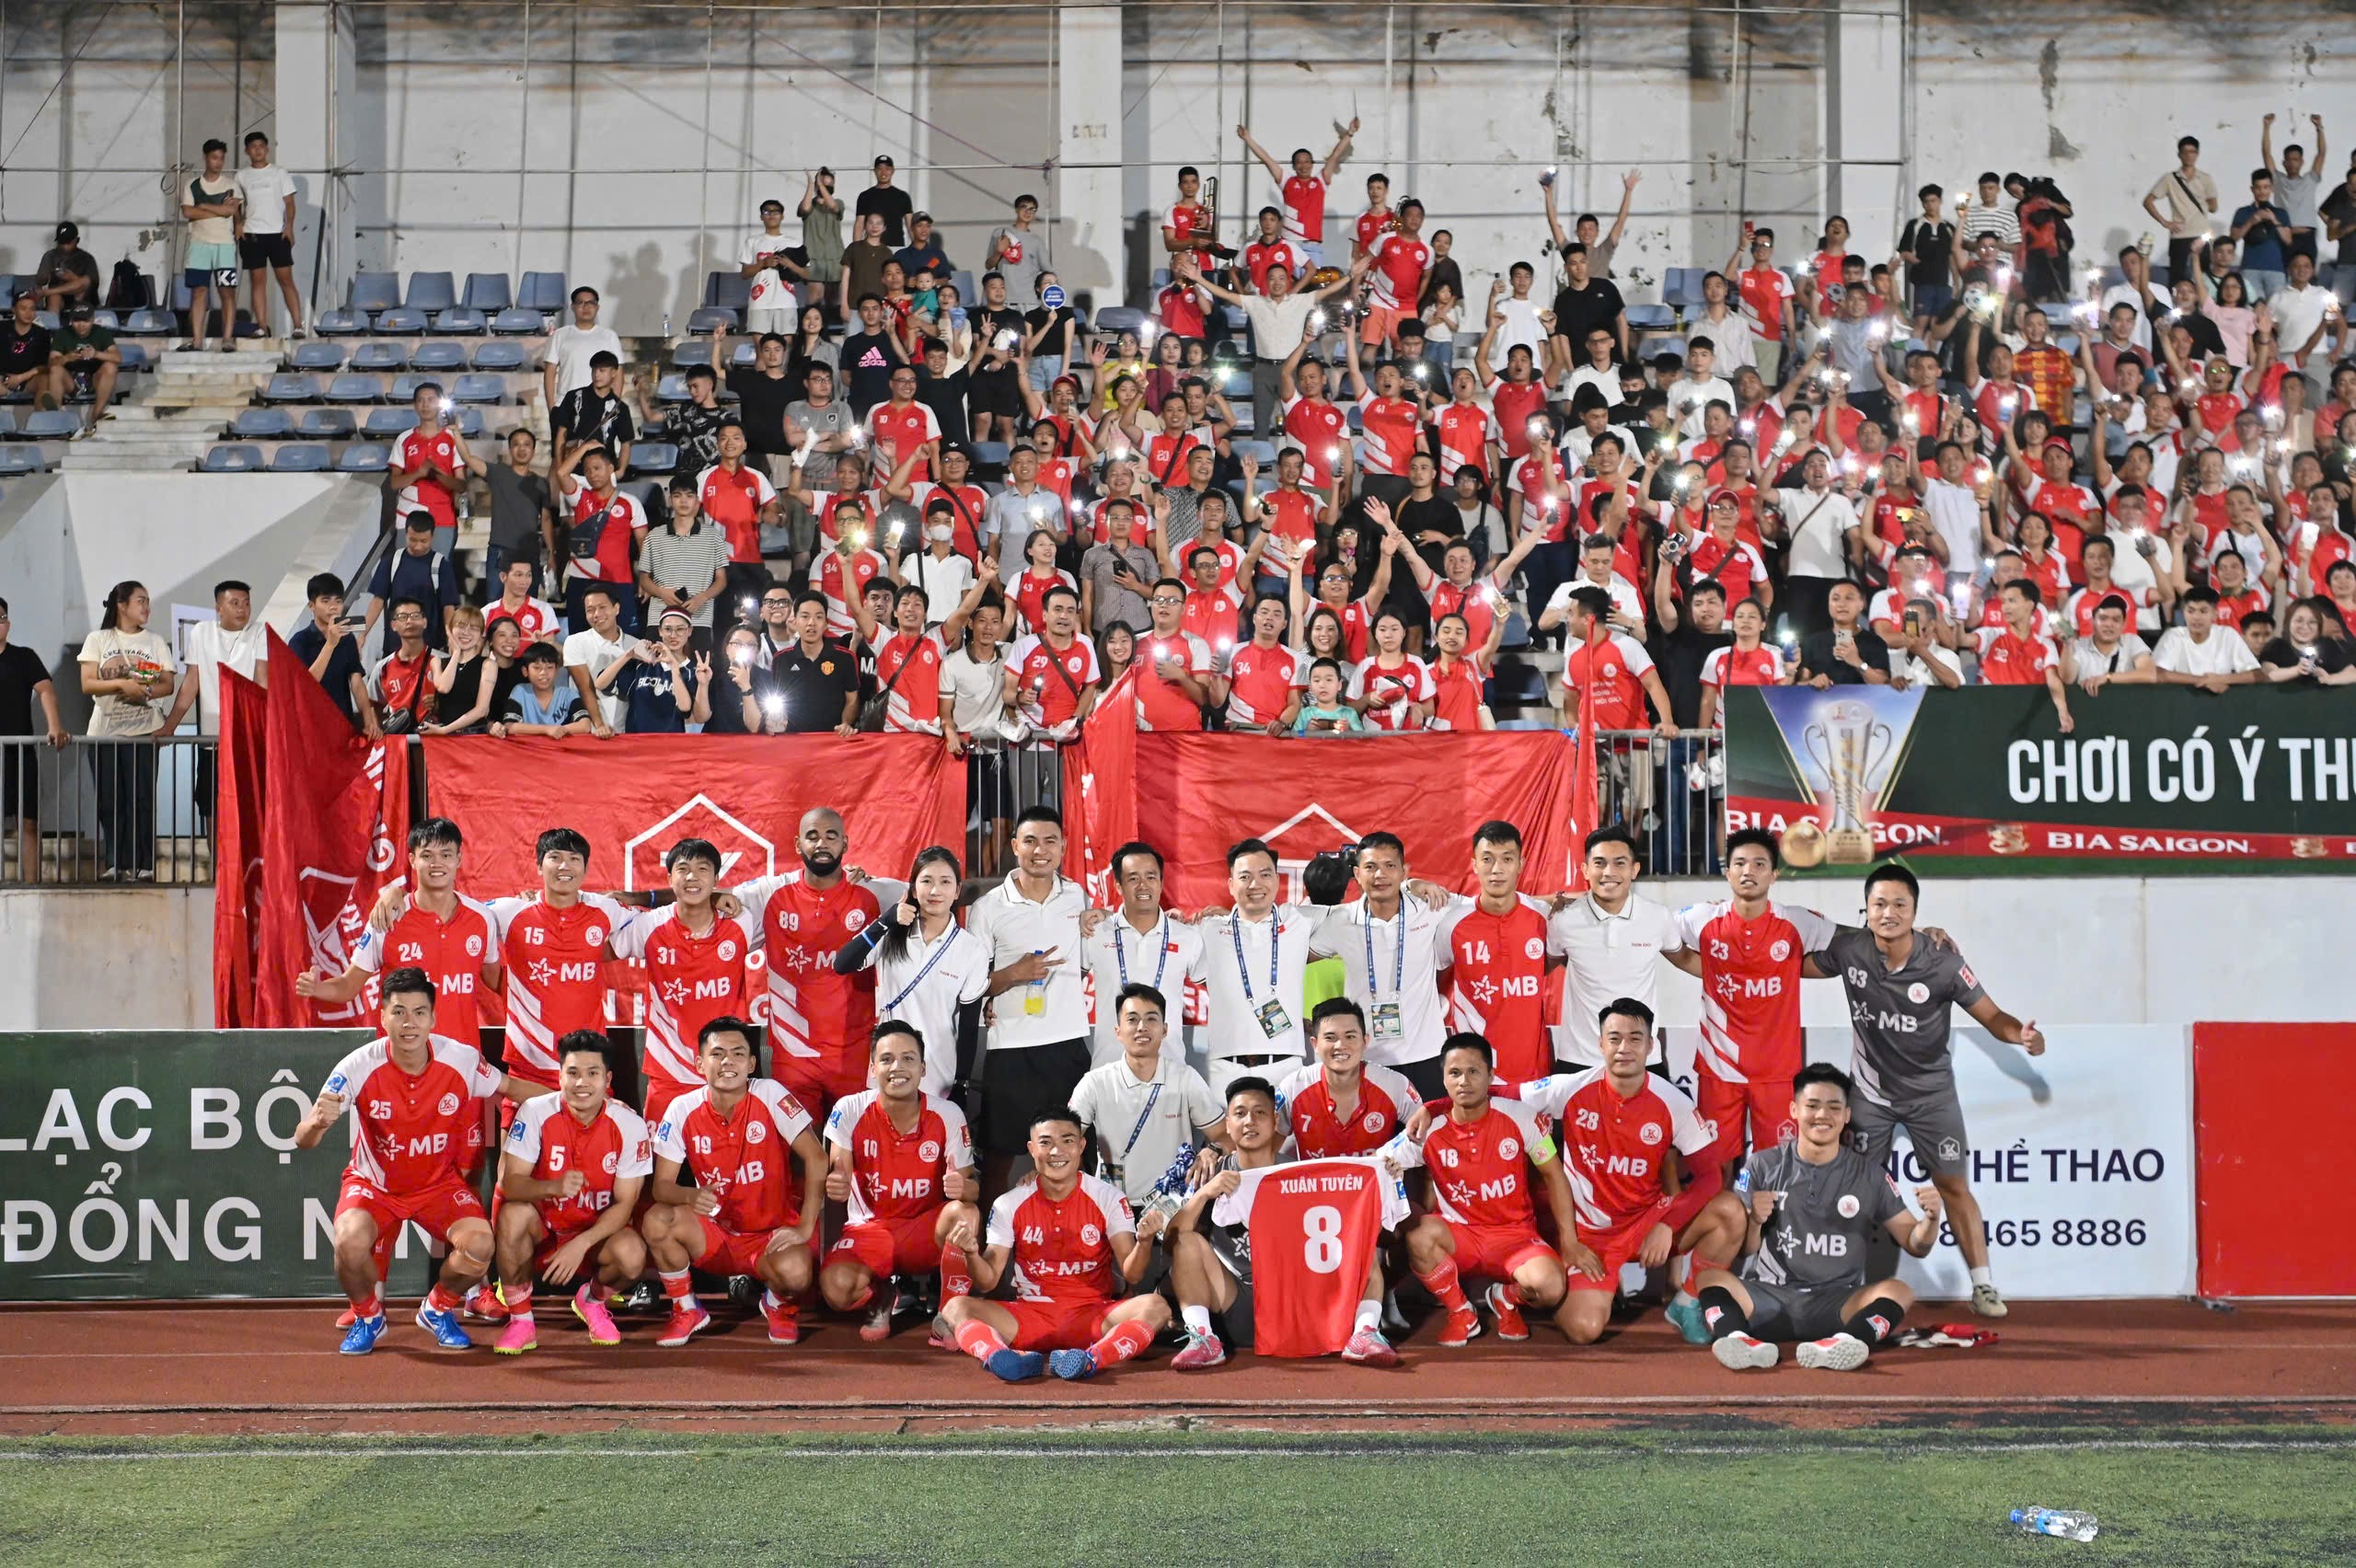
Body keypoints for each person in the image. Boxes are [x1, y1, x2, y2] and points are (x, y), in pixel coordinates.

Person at [1801, 863, 2046, 1319]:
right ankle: (1837, 1287)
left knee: (1952, 1185)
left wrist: (2023, 1037)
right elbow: (1788, 965)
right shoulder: (1850, 950)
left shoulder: (1943, 962)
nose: (1889, 912)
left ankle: (1983, 1286)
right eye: (1879, 904)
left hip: (1931, 1098)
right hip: (1870, 1096)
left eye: (1900, 904)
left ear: (1915, 912)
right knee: (1852, 1187)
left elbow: (1993, 1017)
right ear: (1866, 909)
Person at [291, 968, 543, 1354]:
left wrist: (574, 1102)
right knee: (348, 1242)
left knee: (480, 1245)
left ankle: (437, 1309)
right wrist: (315, 1124)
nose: (409, 1023)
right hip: (374, 1187)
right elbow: (303, 1139)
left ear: (433, 1018)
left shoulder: (460, 1059)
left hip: (437, 1186)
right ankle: (368, 1317)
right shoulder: (357, 1066)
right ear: (382, 1017)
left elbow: (512, 1087)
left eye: (419, 1012)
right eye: (399, 1012)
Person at [1510, 997, 1740, 1345]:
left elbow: (1710, 1177)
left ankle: (1688, 1301)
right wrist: (1434, 1108)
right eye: (1614, 1038)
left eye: (1635, 1038)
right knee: (1584, 1330)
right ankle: (1542, 1284)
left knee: (1730, 1212)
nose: (1624, 1048)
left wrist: (1667, 1224)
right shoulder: (1571, 1088)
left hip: (1646, 1222)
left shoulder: (1673, 1102)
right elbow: (1498, 1092)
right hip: (1588, 1234)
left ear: (1650, 1046)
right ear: (1600, 1044)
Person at [1693, 1062, 1941, 1372]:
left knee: (1899, 1290)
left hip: (1837, 1304)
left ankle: (1846, 1343)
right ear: (1794, 1110)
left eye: (1834, 1107)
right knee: (1710, 1278)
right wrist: (1755, 1220)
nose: (1822, 1115)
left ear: (1847, 1115)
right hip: (1770, 1300)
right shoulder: (1762, 1164)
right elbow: (1746, 1250)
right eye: (1812, 1106)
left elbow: (1916, 1244)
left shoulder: (1870, 1174)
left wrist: (1932, 1220)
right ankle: (1740, 1341)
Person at [935, 1109, 1171, 1382]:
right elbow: (987, 1281)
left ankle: (1091, 1360)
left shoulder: (1109, 1198)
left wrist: (1144, 1242)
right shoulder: (1009, 1203)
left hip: (1092, 1316)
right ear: (1031, 1149)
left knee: (1157, 1306)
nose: (1057, 1151)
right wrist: (971, 1254)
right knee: (955, 1308)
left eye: (1067, 1141)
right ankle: (1001, 1358)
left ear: (1081, 1146)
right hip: (1028, 1318)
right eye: (1046, 1142)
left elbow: (1133, 1274)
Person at [641, 1018, 828, 1346]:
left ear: (752, 1064)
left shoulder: (770, 1093)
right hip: (715, 1234)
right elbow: (661, 1187)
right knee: (657, 1219)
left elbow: (817, 1158)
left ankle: (778, 1306)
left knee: (798, 1274)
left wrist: (804, 1227)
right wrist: (690, 1195)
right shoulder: (681, 1108)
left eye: (738, 1053)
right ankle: (686, 1309)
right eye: (717, 1054)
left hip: (770, 1235)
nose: (728, 1061)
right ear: (700, 1064)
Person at [1665, 828, 1836, 1180]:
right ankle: (1725, 1218)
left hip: (1777, 1071)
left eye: (1759, 864)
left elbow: (1850, 944)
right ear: (1727, 872)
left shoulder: (1796, 921)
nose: (1748, 871)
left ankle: (1769, 1219)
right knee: (1715, 1170)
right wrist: (1707, 969)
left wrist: (1917, 935)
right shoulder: (1703, 917)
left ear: (1774, 875)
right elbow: (1657, 932)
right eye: (1740, 863)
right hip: (1718, 1068)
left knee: (1779, 1169)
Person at [1387, 1034, 1578, 1346]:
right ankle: (1461, 1312)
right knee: (1419, 1235)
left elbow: (1555, 1177)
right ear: (1444, 1079)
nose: (1464, 1081)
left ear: (1490, 1076)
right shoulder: (1426, 1129)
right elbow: (1378, 1164)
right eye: (1454, 1073)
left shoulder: (1521, 1118)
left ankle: (1505, 1298)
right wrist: (1388, 1168)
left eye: (1473, 1072)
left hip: (1515, 1237)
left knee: (1550, 1287)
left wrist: (1569, 1240)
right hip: (1459, 1235)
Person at [725, 806, 905, 1118]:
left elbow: (935, 893)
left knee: (852, 1144)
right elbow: (706, 899)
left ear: (845, 844)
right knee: (798, 1145)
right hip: (793, 1055)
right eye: (812, 836)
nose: (822, 843)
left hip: (855, 1053)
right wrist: (650, 899)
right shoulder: (771, 893)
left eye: (831, 836)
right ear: (798, 844)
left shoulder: (875, 893)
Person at [818, 1020, 983, 1341]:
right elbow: (840, 1166)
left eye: (908, 1059)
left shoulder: (948, 1113)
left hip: (923, 1229)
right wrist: (838, 1180)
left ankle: (950, 1314)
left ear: (923, 1069)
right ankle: (882, 1295)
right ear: (872, 1069)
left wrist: (964, 1187)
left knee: (965, 1213)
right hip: (869, 1230)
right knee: (836, 1290)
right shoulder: (850, 1108)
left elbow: (971, 1190)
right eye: (887, 1059)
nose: (897, 1067)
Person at [490, 1032, 653, 1353]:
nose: (581, 1083)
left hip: (593, 1236)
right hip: (544, 1231)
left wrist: (582, 1243)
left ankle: (592, 1301)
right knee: (513, 1215)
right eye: (573, 1073)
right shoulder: (535, 1111)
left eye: (592, 1073)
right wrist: (553, 1187)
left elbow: (625, 1204)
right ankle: (521, 1322)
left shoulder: (629, 1125)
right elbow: (511, 1183)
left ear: (607, 1080)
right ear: (560, 1076)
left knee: (633, 1255)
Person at [1070, 982, 1226, 1205]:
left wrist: (1212, 1150)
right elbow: (1065, 1138)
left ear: (1164, 1030)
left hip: (1172, 1205)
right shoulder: (1095, 1082)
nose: (1141, 1027)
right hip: (1111, 1205)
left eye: (1151, 1019)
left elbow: (1224, 1135)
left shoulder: (1185, 1078)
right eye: (1132, 1019)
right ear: (1118, 1031)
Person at [1546, 824, 1684, 1068]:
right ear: (1585, 870)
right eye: (1599, 863)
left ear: (1635, 869)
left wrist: (1742, 974)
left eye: (1619, 863)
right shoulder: (1563, 920)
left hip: (1641, 1060)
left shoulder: (1658, 916)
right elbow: (1537, 969)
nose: (1609, 872)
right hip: (1578, 1061)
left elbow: (1686, 959)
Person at [76, 580, 174, 882]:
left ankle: (144, 863)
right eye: (140, 600)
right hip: (104, 732)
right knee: (109, 801)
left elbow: (168, 684)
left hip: (144, 732)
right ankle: (115, 862)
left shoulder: (155, 641)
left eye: (148, 601)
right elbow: (87, 683)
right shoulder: (98, 639)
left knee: (142, 800)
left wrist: (143, 691)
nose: (147, 607)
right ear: (122, 605)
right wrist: (122, 684)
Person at [162, 578, 263, 826]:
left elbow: (263, 684)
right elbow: (190, 684)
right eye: (234, 603)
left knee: (250, 809)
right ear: (219, 608)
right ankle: (215, 854)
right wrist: (170, 726)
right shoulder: (202, 632)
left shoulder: (260, 632)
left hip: (248, 741)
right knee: (212, 808)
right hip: (212, 742)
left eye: (246, 603)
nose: (242, 609)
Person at [1271, 997, 1423, 1158]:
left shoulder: (1395, 1084)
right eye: (1330, 1038)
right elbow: (1265, 1151)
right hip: (1313, 1176)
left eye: (1350, 1036)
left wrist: (1396, 1158)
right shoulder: (1293, 1087)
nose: (1340, 1045)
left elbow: (1428, 1137)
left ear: (1365, 1041)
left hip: (1377, 1175)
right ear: (1315, 1044)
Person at [0, 596, 66, 882]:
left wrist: (55, 726)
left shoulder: (24, 657)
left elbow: (46, 690)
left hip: (20, 752)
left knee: (28, 822)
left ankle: (31, 884)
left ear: (8, 623)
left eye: (1, 618)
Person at [555, 444, 649, 638]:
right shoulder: (581, 498)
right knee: (580, 639)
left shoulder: (630, 502)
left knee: (626, 638)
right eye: (587, 470)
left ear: (611, 468)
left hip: (618, 581)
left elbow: (644, 544)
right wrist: (585, 448)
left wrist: (645, 578)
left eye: (597, 468)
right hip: (582, 579)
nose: (592, 474)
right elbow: (562, 473)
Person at [640, 475, 732, 647]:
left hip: (698, 618)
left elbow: (721, 580)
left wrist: (702, 597)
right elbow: (644, 579)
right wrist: (662, 593)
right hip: (660, 618)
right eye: (677, 496)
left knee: (698, 664)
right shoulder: (654, 536)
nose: (683, 501)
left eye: (689, 496)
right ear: (670, 500)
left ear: (697, 500)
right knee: (657, 663)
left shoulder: (713, 537)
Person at [285, 572, 380, 738]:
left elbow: (356, 681)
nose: (333, 606)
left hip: (343, 723)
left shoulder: (347, 639)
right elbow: (305, 684)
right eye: (326, 601)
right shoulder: (299, 641)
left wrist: (368, 720)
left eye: (338, 601)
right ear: (312, 606)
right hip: (310, 727)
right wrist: (330, 644)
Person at [233, 131, 304, 338]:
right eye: (253, 147)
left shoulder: (279, 173)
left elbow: (289, 203)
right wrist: (238, 224)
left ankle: (298, 325)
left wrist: (289, 226)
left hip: (277, 234)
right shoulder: (241, 175)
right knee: (258, 281)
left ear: (267, 149)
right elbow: (236, 204)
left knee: (286, 280)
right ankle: (262, 327)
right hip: (252, 234)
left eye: (261, 146)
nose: (258, 150)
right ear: (247, 151)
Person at [179, 138, 242, 352]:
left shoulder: (230, 185)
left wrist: (204, 205)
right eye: (214, 158)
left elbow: (231, 211)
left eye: (221, 158)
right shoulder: (192, 185)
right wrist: (218, 210)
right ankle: (197, 340)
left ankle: (227, 338)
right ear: (206, 157)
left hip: (224, 245)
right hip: (199, 245)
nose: (218, 162)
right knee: (199, 292)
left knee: (227, 292)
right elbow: (188, 211)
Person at [482, 429, 555, 603]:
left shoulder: (541, 483)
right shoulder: (498, 472)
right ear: (510, 449)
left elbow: (546, 519)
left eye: (526, 445)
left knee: (528, 603)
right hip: (500, 549)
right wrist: (455, 432)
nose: (521, 449)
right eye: (516, 444)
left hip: (529, 551)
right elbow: (469, 459)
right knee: (495, 602)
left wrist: (552, 552)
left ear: (533, 451)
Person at [2153, 583, 2263, 688]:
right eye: (2190, 611)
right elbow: (2157, 673)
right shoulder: (2173, 636)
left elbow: (2257, 674)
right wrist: (2203, 680)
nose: (2196, 617)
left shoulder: (2227, 635)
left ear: (2215, 614)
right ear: (2183, 613)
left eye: (2203, 611)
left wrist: (2221, 679)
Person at [46, 300, 121, 433]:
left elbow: (117, 358)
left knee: (111, 367)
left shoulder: (101, 332)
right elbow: (51, 363)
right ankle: (56, 415)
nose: (81, 325)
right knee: (55, 369)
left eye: (85, 321)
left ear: (92, 319)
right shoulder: (63, 333)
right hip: (70, 381)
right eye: (77, 321)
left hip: (94, 379)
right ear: (71, 321)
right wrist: (66, 358)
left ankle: (97, 414)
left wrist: (95, 354)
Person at [542, 286, 623, 409]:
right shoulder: (560, 335)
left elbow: (618, 373)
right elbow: (549, 373)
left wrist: (613, 407)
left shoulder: (609, 336)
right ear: (572, 306)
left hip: (599, 405)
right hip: (566, 405)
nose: (586, 307)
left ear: (597, 307)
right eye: (581, 303)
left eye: (591, 303)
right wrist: (551, 408)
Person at [742, 197, 807, 337]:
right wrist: (763, 263)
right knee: (761, 347)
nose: (771, 215)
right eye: (767, 212)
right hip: (759, 302)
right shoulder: (752, 241)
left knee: (786, 347)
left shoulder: (794, 243)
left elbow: (807, 274)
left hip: (786, 302)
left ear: (782, 216)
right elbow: (745, 273)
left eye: (776, 212)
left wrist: (789, 264)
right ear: (761, 217)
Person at [29, 220, 99, 314]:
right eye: (62, 243)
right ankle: (53, 322)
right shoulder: (50, 255)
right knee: (54, 297)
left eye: (68, 243)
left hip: (83, 297)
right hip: (59, 298)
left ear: (77, 240)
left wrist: (72, 277)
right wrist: (44, 276)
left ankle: (49, 292)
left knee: (85, 281)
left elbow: (89, 284)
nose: (65, 246)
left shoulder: (87, 258)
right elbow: (40, 281)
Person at [855, 155, 915, 248]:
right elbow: (859, 224)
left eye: (887, 169)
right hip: (871, 249)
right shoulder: (865, 196)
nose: (883, 172)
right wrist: (856, 249)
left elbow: (910, 225)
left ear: (893, 171)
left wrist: (919, 249)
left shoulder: (902, 196)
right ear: (875, 171)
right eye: (879, 169)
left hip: (896, 248)